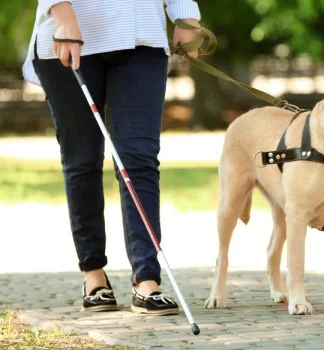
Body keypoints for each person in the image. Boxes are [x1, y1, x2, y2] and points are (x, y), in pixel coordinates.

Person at [23, 0, 202, 315]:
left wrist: (185, 16)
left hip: (141, 35)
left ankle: (147, 280)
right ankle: (94, 276)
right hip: (69, 32)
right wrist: (62, 14)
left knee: (138, 157)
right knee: (83, 159)